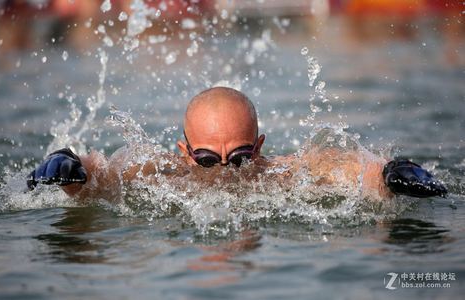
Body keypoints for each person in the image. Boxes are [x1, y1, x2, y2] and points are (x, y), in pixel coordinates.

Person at [27, 87, 447, 201]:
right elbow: (105, 178)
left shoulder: (281, 173)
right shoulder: (166, 175)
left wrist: (390, 174)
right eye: (208, 160)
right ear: (185, 153)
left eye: (241, 158)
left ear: (259, 148)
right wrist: (70, 167)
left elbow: (343, 168)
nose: (227, 173)